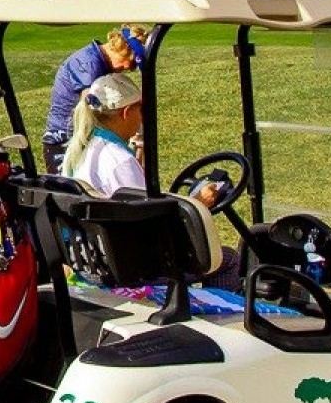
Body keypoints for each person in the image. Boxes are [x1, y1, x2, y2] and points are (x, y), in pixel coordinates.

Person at [63, 72, 240, 289]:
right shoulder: (119, 161)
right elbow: (153, 230)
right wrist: (198, 203)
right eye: (141, 110)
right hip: (131, 268)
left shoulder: (81, 151)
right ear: (127, 112)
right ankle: (216, 317)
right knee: (227, 259)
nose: (143, 118)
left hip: (93, 260)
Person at [42, 25, 148, 172]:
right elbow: (90, 109)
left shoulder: (98, 60)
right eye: (129, 63)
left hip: (80, 139)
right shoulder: (89, 64)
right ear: (122, 49)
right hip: (64, 141)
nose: (126, 68)